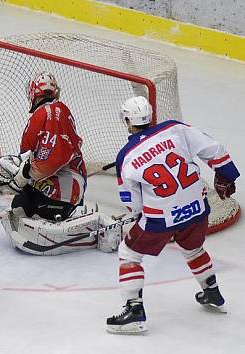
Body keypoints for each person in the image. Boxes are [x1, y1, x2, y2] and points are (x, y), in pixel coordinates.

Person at [106, 96, 239, 334]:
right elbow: (214, 149)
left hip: (161, 219)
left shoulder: (126, 156)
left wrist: (138, 215)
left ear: (127, 121)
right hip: (198, 209)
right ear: (150, 116)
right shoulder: (174, 129)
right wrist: (226, 174)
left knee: (129, 253)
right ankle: (212, 292)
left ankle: (134, 312)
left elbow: (132, 202)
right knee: (193, 249)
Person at [0, 72, 120, 255]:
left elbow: (53, 159)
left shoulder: (48, 113)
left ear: (34, 93)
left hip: (63, 186)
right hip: (60, 182)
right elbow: (37, 155)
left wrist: (22, 177)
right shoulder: (50, 112)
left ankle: (81, 219)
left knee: (28, 208)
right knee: (20, 206)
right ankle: (67, 212)